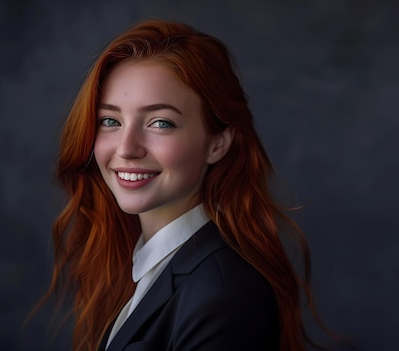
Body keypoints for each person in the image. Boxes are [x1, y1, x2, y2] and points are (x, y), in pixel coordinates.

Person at [43, 20, 327, 351]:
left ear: (217, 143)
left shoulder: (222, 297)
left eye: (160, 123)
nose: (126, 148)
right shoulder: (153, 268)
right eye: (110, 121)